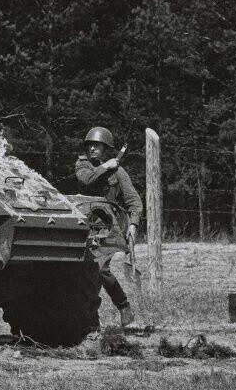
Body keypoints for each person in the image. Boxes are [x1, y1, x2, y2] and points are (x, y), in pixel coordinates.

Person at [75, 126, 143, 329]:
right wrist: (107, 167)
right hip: (84, 224)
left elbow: (134, 202)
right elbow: (87, 179)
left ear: (106, 148)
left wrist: (133, 224)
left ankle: (123, 307)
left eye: (97, 145)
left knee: (100, 268)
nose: (92, 149)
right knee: (83, 270)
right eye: (90, 145)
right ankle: (90, 321)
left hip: (108, 227)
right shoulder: (82, 165)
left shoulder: (118, 172)